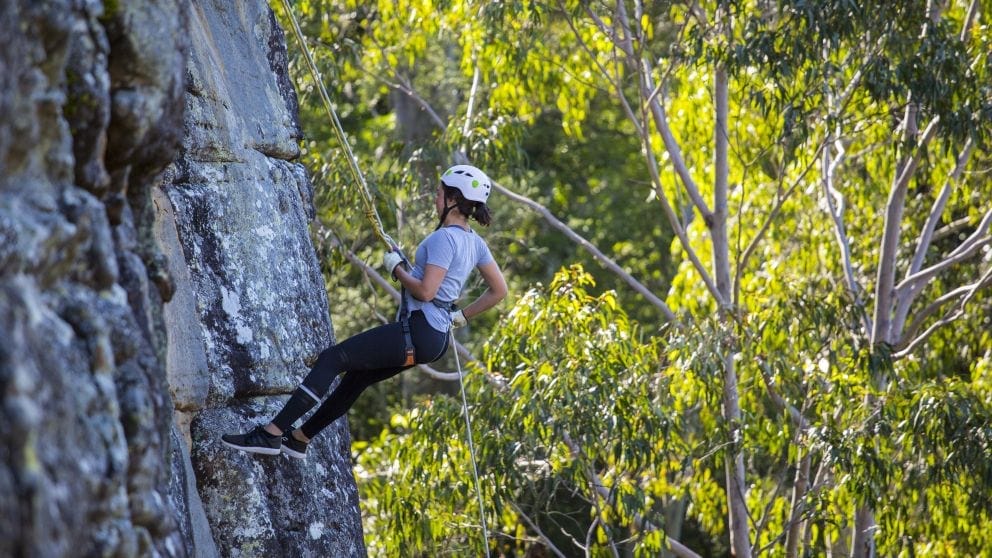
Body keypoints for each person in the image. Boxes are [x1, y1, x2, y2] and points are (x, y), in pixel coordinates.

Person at [221, 164, 507, 458]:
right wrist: (460, 316)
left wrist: (396, 269)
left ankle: (271, 434)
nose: (435, 200)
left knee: (333, 359)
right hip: (436, 338)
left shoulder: (443, 239)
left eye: (438, 194)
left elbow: (425, 291)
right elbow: (499, 291)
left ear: (452, 199)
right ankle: (299, 438)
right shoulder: (475, 242)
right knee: (357, 378)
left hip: (421, 330)